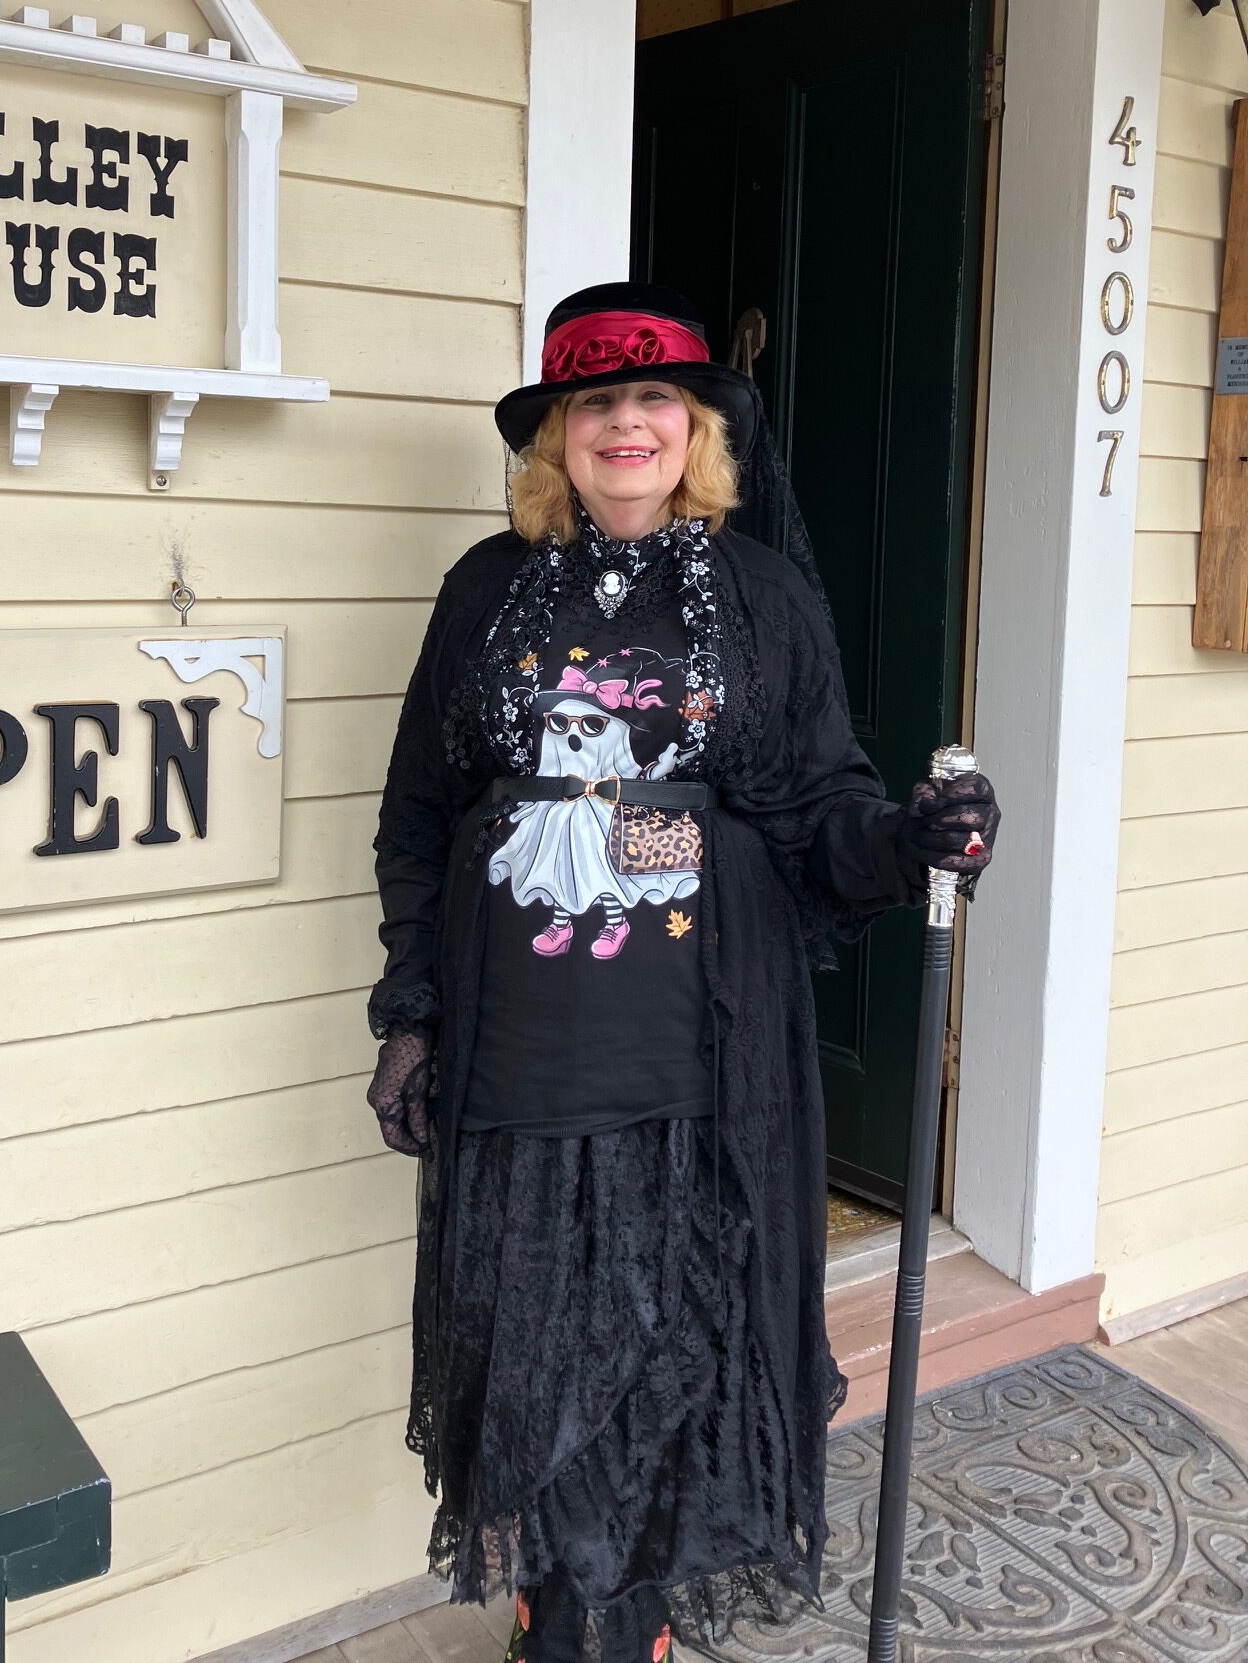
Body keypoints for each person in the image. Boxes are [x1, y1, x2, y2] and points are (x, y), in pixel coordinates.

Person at [365, 282, 1000, 1663]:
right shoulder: (485, 590)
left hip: (704, 1043)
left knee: (673, 1331)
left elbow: (815, 810)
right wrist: (410, 1015)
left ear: (701, 429)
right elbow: (421, 812)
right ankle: (557, 1590)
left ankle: (628, 1608)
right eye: (598, 401)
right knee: (533, 1324)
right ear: (559, 439)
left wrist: (909, 840)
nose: (630, 424)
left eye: (658, 399)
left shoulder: (761, 596)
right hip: (517, 1035)